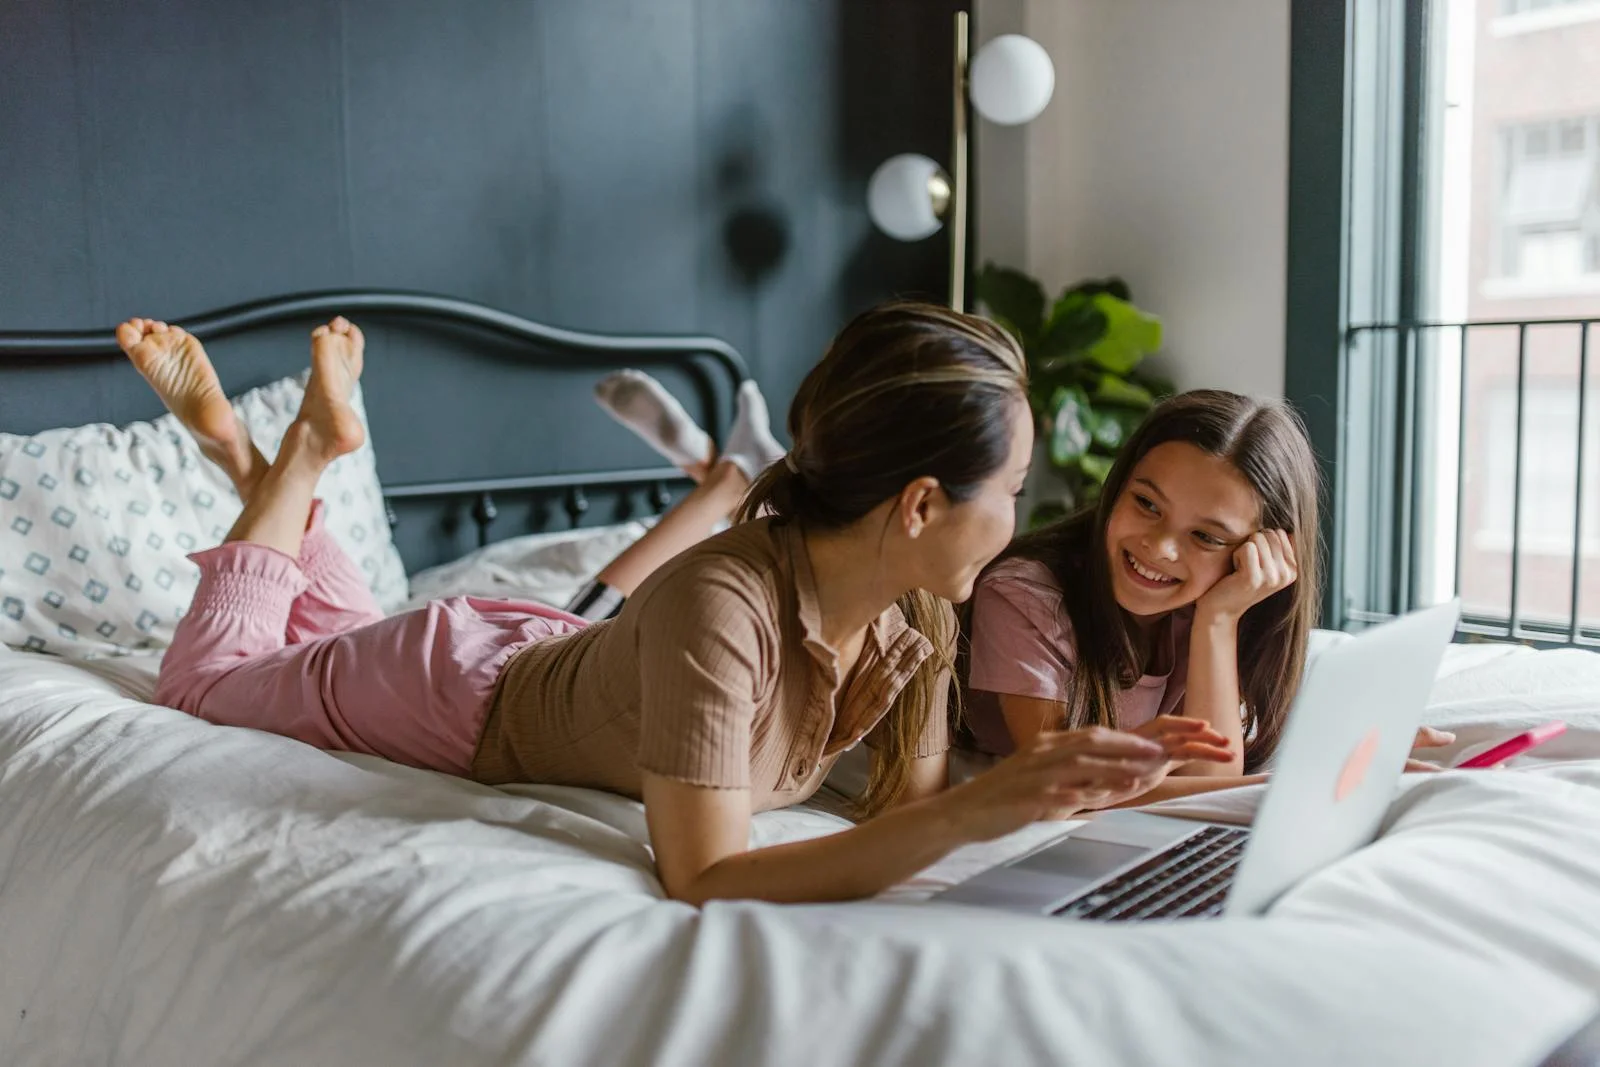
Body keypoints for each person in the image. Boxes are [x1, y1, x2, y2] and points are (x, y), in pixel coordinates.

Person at [115, 303, 1234, 907]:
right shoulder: (724, 597)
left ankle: (245, 454)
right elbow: (701, 872)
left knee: (333, 628)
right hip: (450, 692)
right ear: (922, 502)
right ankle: (299, 454)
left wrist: (1074, 789)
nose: (1027, 516)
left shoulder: (915, 620)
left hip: (526, 644)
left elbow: (912, 814)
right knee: (205, 686)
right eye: (1012, 492)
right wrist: (980, 813)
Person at [963, 389, 1452, 805]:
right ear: (1119, 485)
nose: (1160, 547)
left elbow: (1213, 768)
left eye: (1207, 537)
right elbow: (1068, 789)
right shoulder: (1023, 597)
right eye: (1146, 503)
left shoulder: (1212, 604)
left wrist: (1218, 619)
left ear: (1256, 554)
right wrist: (1298, 787)